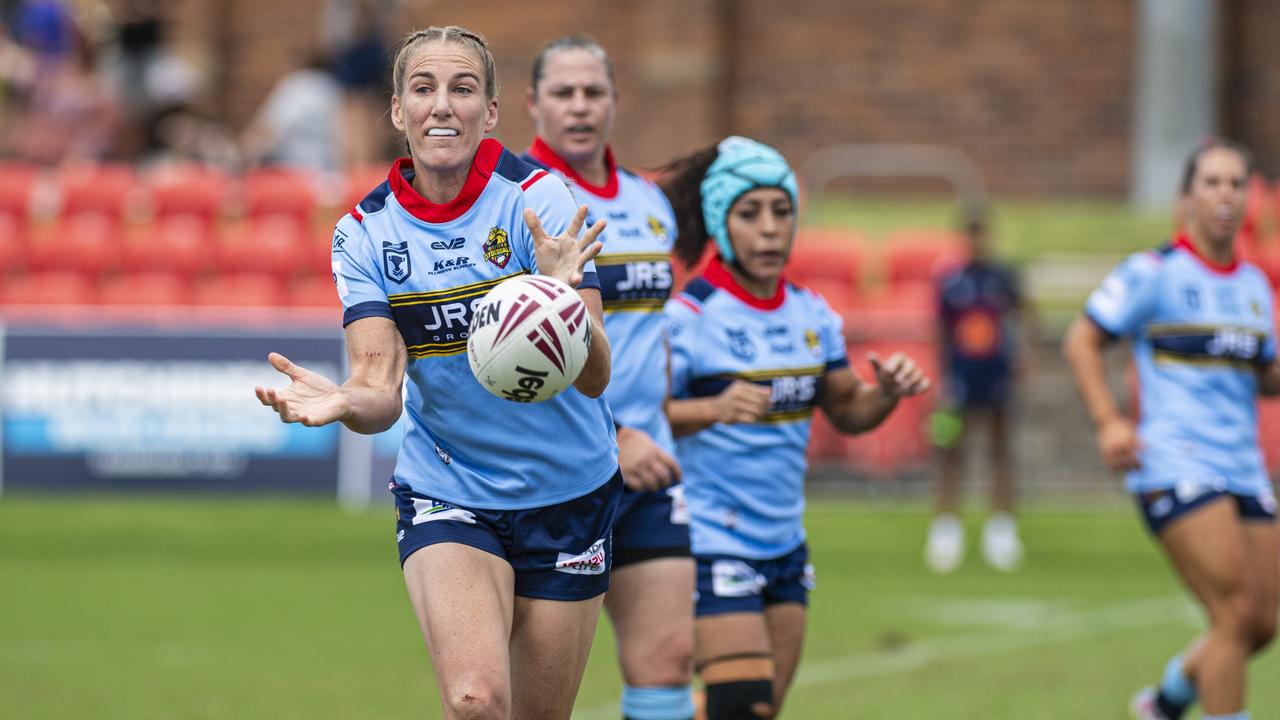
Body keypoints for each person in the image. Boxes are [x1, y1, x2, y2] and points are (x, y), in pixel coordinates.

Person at [255, 26, 622, 720]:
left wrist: (564, 303)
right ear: (397, 110)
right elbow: (379, 390)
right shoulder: (364, 233)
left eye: (463, 88)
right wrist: (342, 403)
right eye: (423, 89)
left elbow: (597, 377)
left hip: (570, 491)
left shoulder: (538, 203)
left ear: (490, 112)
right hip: (450, 488)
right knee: (477, 702)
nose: (441, 106)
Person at [661, 136, 930, 719]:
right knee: (743, 703)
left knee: (758, 707)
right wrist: (712, 409)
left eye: (781, 212)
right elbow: (638, 423)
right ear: (720, 222)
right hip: (708, 541)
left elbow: (849, 411)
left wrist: (884, 391)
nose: (769, 230)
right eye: (749, 213)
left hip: (783, 544)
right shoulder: (688, 318)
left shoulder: (812, 314)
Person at [1062, 138, 1280, 720]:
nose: (1225, 195)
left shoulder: (1256, 288)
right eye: (1212, 182)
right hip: (1176, 460)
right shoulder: (1153, 273)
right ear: (1186, 197)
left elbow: (1265, 379)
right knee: (1232, 615)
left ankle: (1164, 703)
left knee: (1261, 623)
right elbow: (1082, 339)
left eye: (1236, 183)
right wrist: (1109, 421)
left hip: (1243, 464)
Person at [523, 36, 694, 720]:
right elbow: (522, 355)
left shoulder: (650, 204)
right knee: (531, 692)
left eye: (593, 92)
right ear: (533, 104)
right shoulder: (518, 204)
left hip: (650, 471)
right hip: (560, 473)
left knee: (669, 660)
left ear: (616, 102)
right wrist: (616, 432)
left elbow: (652, 333)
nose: (580, 107)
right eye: (562, 93)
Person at [925, 212, 1034, 573]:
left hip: (996, 375)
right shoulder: (951, 281)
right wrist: (941, 376)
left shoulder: (1003, 277)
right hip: (960, 376)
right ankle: (946, 529)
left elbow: (1024, 316)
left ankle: (1001, 529)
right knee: (951, 451)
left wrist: (1021, 361)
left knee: (999, 449)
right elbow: (939, 328)